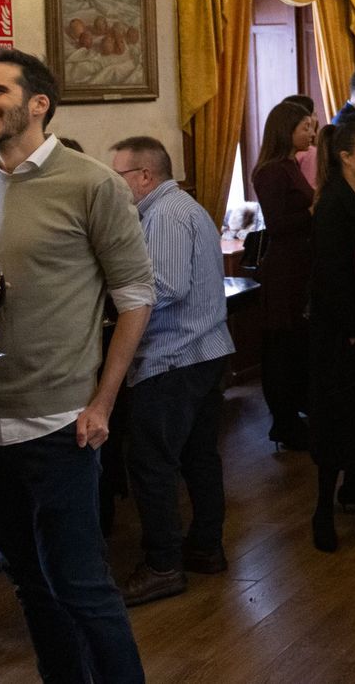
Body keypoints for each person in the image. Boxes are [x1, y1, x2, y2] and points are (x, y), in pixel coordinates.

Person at [0, 49, 153, 682]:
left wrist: (104, 403)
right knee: (27, 582)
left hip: (60, 423)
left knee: (81, 585)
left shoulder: (93, 184)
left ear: (38, 104)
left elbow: (135, 297)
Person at [106, 136, 236, 606]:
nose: (114, 184)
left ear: (145, 176)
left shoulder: (165, 214)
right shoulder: (180, 207)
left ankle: (162, 565)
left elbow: (164, 285)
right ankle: (204, 547)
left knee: (151, 462)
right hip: (202, 350)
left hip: (173, 355)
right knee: (199, 456)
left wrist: (108, 297)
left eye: (118, 175)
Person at [308, 121, 355, 552]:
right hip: (337, 330)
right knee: (333, 418)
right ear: (345, 156)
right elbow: (332, 275)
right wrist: (352, 330)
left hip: (354, 324)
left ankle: (352, 485)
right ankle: (321, 508)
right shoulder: (335, 203)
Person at [251, 99, 318, 449]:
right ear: (285, 130)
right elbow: (278, 225)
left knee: (296, 348)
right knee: (282, 351)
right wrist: (313, 209)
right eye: (305, 126)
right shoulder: (272, 171)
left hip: (300, 266)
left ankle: (296, 416)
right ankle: (284, 422)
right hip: (284, 272)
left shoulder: (292, 165)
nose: (311, 132)